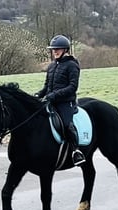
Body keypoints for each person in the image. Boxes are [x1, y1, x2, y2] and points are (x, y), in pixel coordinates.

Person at [35, 34, 86, 166]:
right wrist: (38, 95)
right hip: (51, 101)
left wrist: (54, 95)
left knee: (66, 124)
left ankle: (76, 151)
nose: (55, 51)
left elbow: (72, 87)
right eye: (53, 49)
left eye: (58, 49)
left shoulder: (72, 65)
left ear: (65, 50)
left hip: (65, 102)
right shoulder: (52, 66)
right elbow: (47, 86)